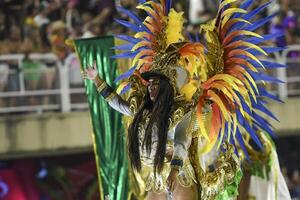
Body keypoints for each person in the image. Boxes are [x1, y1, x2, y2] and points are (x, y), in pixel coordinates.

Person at [82, 61, 198, 200]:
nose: (150, 88)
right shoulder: (142, 111)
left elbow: (181, 142)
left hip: (179, 173)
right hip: (156, 174)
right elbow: (116, 103)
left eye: (155, 84)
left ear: (167, 87)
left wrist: (174, 171)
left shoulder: (180, 112)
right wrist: (96, 79)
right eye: (149, 84)